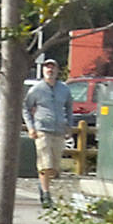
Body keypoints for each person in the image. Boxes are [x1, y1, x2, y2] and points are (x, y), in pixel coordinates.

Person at [23, 58, 74, 207]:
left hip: (58, 130)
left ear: (57, 71)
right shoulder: (36, 89)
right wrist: (31, 127)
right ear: (43, 70)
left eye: (52, 68)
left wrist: (69, 126)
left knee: (54, 167)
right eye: (47, 68)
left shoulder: (64, 89)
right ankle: (46, 195)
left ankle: (42, 185)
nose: (50, 70)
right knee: (45, 164)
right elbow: (26, 107)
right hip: (42, 130)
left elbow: (69, 108)